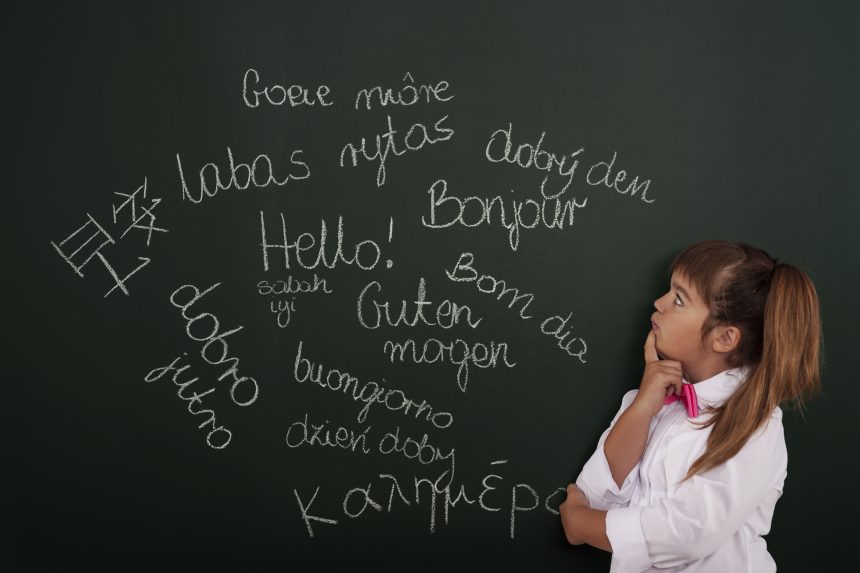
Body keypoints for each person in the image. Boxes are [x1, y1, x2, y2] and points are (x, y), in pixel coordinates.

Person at [559, 240, 821, 572]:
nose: (658, 303)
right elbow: (594, 495)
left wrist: (582, 526)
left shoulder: (756, 427)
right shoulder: (654, 400)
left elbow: (685, 535)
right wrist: (641, 410)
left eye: (679, 299)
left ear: (724, 338)